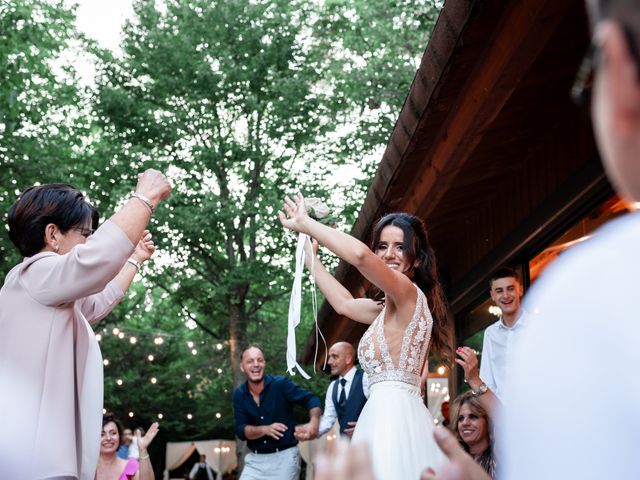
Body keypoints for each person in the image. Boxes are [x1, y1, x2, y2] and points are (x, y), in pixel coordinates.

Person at [424, 0, 640, 478]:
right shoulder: (496, 339)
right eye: (497, 291)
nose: (504, 295)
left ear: (618, 65)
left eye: (590, 76)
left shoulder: (588, 292)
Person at [0, 170, 171, 479]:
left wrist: (134, 259)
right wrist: (145, 198)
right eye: (85, 234)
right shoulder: (34, 276)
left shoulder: (50, 291)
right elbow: (95, 261)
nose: (89, 241)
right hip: (36, 462)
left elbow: (96, 301)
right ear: (52, 235)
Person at [280, 197, 451, 479]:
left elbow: (361, 257)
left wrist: (307, 223)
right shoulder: (386, 309)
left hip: (396, 418)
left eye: (400, 247)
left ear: (417, 259)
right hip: (378, 415)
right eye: (382, 246)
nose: (389, 254)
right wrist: (309, 252)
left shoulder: (408, 294)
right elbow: (344, 304)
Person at [232, 344, 322, 480]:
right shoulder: (239, 395)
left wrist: (314, 423)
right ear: (242, 366)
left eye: (260, 360)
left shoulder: (280, 384)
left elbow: (311, 399)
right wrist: (264, 430)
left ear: (264, 363)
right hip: (255, 461)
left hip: (285, 458)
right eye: (250, 361)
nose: (256, 364)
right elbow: (240, 430)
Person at [479, 267, 527, 401]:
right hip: (503, 416)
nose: (505, 295)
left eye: (510, 288)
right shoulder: (490, 334)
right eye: (499, 291)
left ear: (520, 290)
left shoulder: (537, 327)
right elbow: (487, 381)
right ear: (492, 296)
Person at [316, 341, 369, 438]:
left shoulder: (366, 378)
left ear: (348, 359)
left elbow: (380, 408)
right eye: (329, 357)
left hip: (368, 443)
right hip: (346, 447)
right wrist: (311, 432)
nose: (329, 362)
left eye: (334, 356)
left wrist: (366, 426)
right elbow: (328, 418)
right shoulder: (332, 387)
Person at [97, 413, 159, 480]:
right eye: (102, 434)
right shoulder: (86, 468)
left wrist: (143, 449)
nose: (108, 438)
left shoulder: (131, 465)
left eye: (113, 433)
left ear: (119, 436)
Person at [449, 392, 495, 479]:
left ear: (488, 421)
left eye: (473, 417)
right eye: (461, 418)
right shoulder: (453, 459)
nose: (465, 423)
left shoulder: (499, 459)